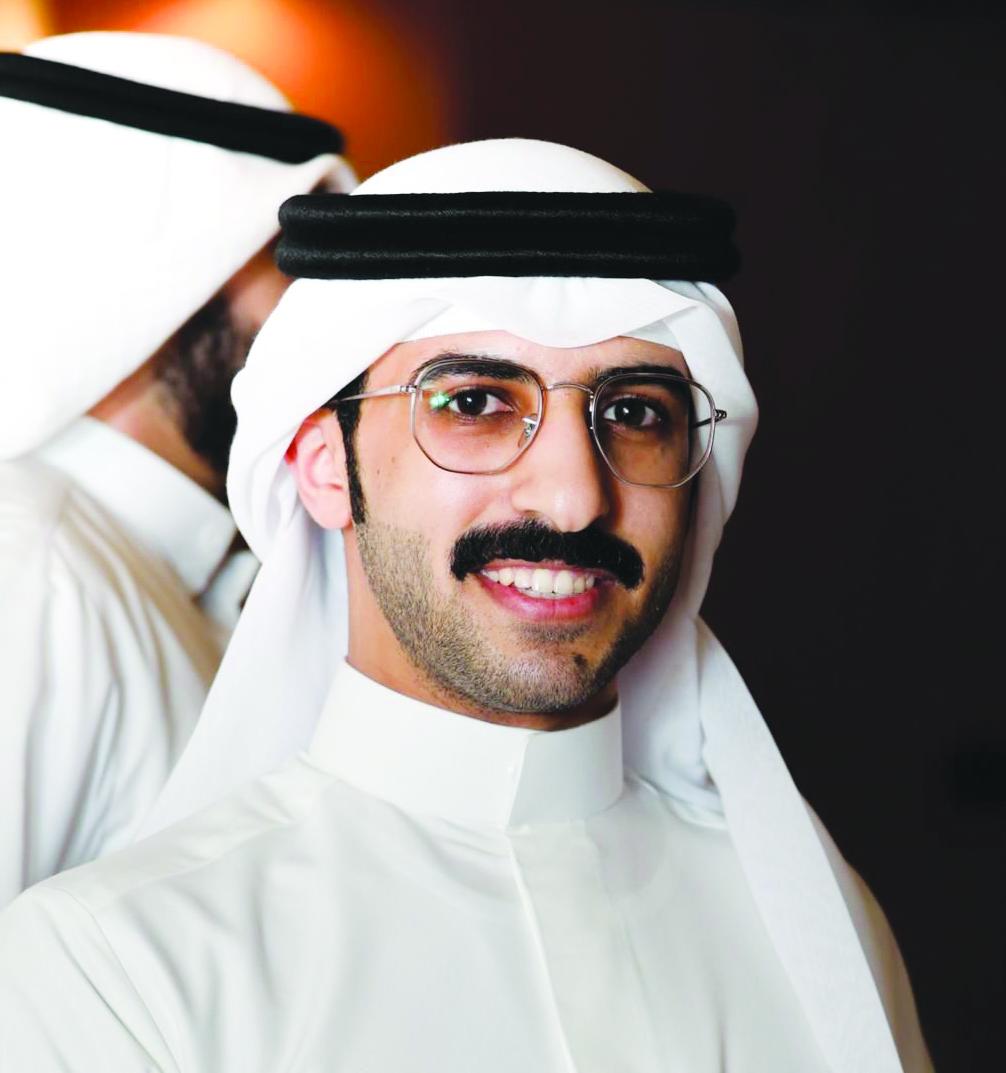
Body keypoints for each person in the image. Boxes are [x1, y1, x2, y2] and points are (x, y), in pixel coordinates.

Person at [0, 139, 931, 1072]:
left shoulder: (815, 930)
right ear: (324, 468)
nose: (573, 498)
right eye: (476, 402)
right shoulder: (113, 971)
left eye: (634, 412)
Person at [0, 31, 353, 903]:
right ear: (166, 279)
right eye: (290, 262)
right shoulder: (30, 572)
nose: (328, 327)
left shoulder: (159, 568)